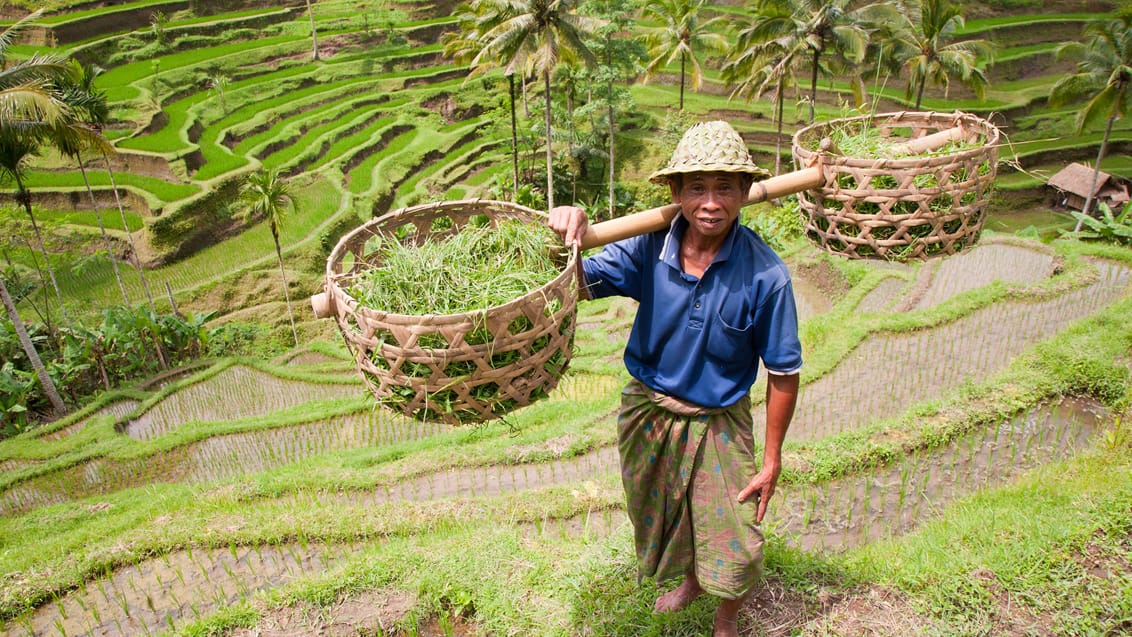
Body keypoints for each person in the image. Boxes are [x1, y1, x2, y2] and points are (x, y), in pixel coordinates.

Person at [548, 120, 802, 637]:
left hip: (718, 417)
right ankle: (689, 581)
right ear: (675, 192)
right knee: (667, 511)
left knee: (734, 528)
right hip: (649, 408)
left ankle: (726, 619)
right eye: (697, 187)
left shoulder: (766, 276)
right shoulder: (649, 247)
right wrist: (564, 234)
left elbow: (782, 374)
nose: (711, 202)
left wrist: (773, 458)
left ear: (746, 193)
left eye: (725, 187)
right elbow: (576, 283)